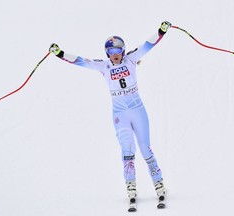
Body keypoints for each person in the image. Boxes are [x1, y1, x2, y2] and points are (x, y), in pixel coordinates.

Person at [49, 21, 172, 206]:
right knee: (127, 150)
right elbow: (81, 61)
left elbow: (148, 45)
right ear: (107, 53)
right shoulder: (104, 66)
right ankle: (131, 186)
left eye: (118, 51)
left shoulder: (131, 59)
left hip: (137, 110)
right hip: (120, 113)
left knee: (145, 148)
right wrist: (60, 54)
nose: (115, 55)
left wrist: (161, 31)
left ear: (123, 51)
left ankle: (158, 182)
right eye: (111, 52)